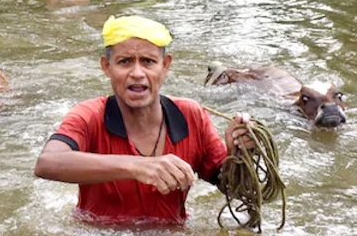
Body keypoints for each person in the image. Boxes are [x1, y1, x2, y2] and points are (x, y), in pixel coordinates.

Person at [33, 15, 256, 226]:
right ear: (107, 67)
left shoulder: (191, 115)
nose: (137, 73)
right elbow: (47, 163)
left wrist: (239, 153)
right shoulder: (89, 115)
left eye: (148, 61)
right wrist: (138, 166)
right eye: (125, 61)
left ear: (165, 65)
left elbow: (235, 190)